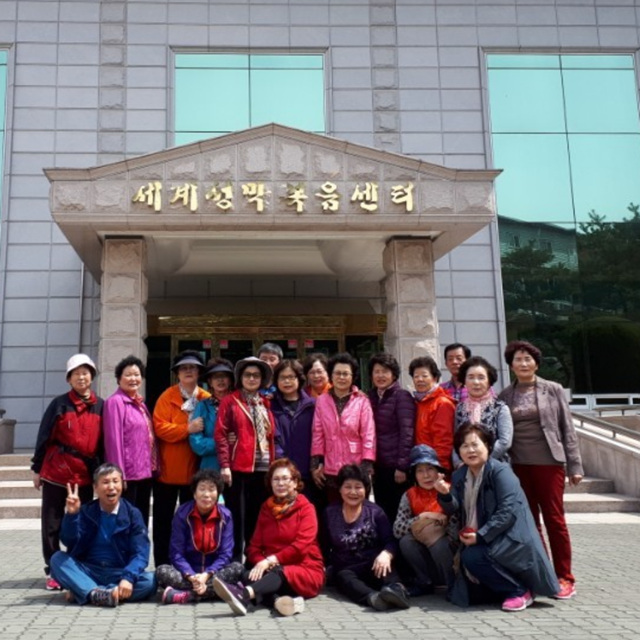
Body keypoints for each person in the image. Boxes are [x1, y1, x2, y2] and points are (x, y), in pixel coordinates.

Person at [434, 423, 560, 612]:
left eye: (475, 444)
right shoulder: (461, 475)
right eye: (464, 446)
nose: (470, 450)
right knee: (464, 593)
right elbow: (455, 508)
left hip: (511, 538)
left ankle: (519, 591)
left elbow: (507, 511)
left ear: (488, 446)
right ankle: (505, 589)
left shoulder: (500, 472)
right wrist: (444, 495)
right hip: (485, 536)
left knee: (472, 556)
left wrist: (480, 536)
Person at [498, 340, 584, 600]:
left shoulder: (553, 389)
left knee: (554, 520)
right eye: (518, 359)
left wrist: (575, 465)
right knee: (530, 523)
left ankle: (565, 576)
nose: (523, 363)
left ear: (536, 363)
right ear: (511, 365)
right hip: (518, 465)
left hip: (549, 463)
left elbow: (567, 428)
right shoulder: (505, 395)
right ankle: (543, 573)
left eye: (528, 359)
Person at [213, 459, 325, 617]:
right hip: (272, 570)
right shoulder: (266, 508)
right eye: (276, 479)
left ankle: (243, 595)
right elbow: (253, 547)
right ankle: (279, 603)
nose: (280, 483)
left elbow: (301, 546)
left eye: (285, 479)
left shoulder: (306, 509)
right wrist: (262, 563)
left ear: (295, 483)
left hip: (304, 570)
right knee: (248, 574)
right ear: (270, 483)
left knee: (276, 573)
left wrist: (270, 561)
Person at [31, 353, 103, 591]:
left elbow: (103, 443)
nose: (81, 377)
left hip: (84, 475)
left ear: (92, 376)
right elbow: (44, 435)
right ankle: (53, 569)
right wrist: (37, 468)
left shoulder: (101, 406)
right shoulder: (59, 404)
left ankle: (76, 566)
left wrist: (101, 474)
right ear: (69, 379)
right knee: (52, 523)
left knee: (82, 523)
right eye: (76, 374)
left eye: (85, 373)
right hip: (56, 471)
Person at [49, 463, 157, 607]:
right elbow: (68, 540)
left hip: (119, 572)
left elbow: (141, 552)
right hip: (89, 570)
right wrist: (72, 515)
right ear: (95, 487)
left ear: (123, 485)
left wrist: (128, 578)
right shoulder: (87, 511)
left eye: (115, 481)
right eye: (105, 482)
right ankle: (98, 592)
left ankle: (87, 591)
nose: (111, 487)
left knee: (150, 581)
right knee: (57, 559)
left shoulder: (132, 514)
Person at [214, 356, 279, 559]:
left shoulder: (265, 403)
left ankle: (252, 560)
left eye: (256, 375)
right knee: (237, 518)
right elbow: (221, 434)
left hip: (262, 469)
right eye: (248, 375)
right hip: (238, 468)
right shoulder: (230, 401)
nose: (252, 379)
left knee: (256, 518)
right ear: (240, 378)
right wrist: (225, 465)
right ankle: (234, 562)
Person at [323, 464, 411, 611]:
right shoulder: (329, 513)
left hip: (373, 564)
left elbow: (390, 541)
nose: (353, 492)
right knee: (344, 577)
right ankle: (374, 598)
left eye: (358, 487)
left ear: (366, 489)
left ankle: (398, 593)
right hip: (346, 567)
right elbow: (323, 545)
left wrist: (386, 554)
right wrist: (323, 567)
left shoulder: (375, 512)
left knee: (386, 569)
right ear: (340, 489)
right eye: (348, 487)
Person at [152, 350, 210, 567]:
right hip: (168, 471)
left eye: (192, 368)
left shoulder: (206, 398)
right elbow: (160, 428)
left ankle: (190, 565)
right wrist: (187, 429)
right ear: (177, 373)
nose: (188, 371)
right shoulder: (167, 397)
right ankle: (162, 565)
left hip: (196, 472)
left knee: (192, 522)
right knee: (163, 522)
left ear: (199, 372)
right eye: (183, 368)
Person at [156, 469, 243, 604]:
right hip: (188, 574)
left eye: (211, 489)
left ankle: (188, 595)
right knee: (162, 571)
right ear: (194, 494)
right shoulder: (182, 513)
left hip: (213, 573)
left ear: (218, 494)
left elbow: (226, 554)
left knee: (238, 568)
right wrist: (191, 576)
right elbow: (176, 553)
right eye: (202, 489)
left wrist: (206, 575)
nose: (206, 494)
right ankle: (215, 592)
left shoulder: (226, 516)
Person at [310, 353, 376, 504]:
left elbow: (368, 434)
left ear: (353, 377)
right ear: (331, 376)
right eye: (337, 373)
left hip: (356, 466)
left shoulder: (362, 401)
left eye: (345, 374)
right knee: (334, 509)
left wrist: (366, 465)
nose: (341, 377)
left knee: (357, 508)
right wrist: (315, 465)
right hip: (330, 467)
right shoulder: (322, 401)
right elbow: (317, 434)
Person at [103, 355, 157, 527]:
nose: (133, 378)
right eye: (128, 375)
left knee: (140, 521)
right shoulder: (115, 402)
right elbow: (113, 440)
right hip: (128, 475)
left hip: (144, 472)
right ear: (119, 379)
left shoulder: (140, 404)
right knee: (125, 522)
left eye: (136, 374)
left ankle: (139, 546)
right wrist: (118, 475)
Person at [393, 444, 454, 595]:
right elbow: (398, 529)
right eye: (420, 470)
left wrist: (441, 526)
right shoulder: (409, 495)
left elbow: (459, 521)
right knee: (406, 541)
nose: (426, 475)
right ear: (414, 474)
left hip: (448, 548)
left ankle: (452, 583)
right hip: (424, 550)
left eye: (430, 469)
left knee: (439, 544)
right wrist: (423, 516)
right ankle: (425, 581)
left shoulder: (449, 489)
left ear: (438, 471)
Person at [367, 352, 415, 524]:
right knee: (382, 511)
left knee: (398, 513)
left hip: (396, 468)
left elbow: (407, 432)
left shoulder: (401, 396)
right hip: (378, 466)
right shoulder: (370, 397)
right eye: (377, 371)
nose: (380, 376)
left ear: (394, 374)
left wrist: (402, 466)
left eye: (385, 371)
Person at [453, 356, 513, 468]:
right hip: (466, 468)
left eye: (481, 377)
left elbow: (504, 442)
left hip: (495, 466)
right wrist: (459, 463)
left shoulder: (500, 408)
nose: (476, 382)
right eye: (471, 377)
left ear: (489, 381)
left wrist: (481, 461)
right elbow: (456, 440)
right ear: (464, 381)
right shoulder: (460, 408)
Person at [271, 359, 316, 498]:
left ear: (299, 379)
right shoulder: (270, 405)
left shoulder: (313, 405)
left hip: (309, 472)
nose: (287, 381)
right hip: (281, 475)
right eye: (282, 377)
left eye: (291, 377)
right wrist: (282, 463)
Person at [410, 356, 456, 473]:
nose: (420, 379)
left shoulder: (442, 403)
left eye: (424, 376)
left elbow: (444, 440)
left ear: (435, 378)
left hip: (435, 468)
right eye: (416, 376)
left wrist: (439, 468)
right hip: (421, 465)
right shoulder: (417, 402)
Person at [189, 358, 234, 470]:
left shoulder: (239, 403)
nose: (220, 380)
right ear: (210, 382)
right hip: (211, 466)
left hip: (236, 464)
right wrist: (222, 442)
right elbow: (197, 444)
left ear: (230, 380)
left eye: (224, 376)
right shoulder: (202, 406)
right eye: (215, 377)